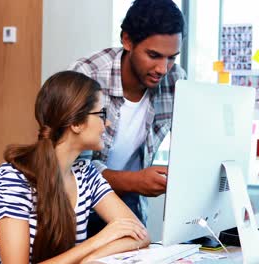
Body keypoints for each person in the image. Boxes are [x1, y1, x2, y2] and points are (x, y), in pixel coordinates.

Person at [0, 71, 150, 264]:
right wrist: (98, 241)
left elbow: (140, 234)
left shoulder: (86, 173)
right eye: (101, 114)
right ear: (76, 123)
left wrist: (89, 259)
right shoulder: (14, 178)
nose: (107, 123)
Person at [67, 0, 186, 236]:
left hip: (128, 201)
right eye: (154, 55)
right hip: (76, 203)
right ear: (127, 40)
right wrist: (134, 181)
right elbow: (72, 166)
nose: (163, 68)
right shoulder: (86, 76)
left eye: (172, 57)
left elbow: (192, 142)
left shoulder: (175, 80)